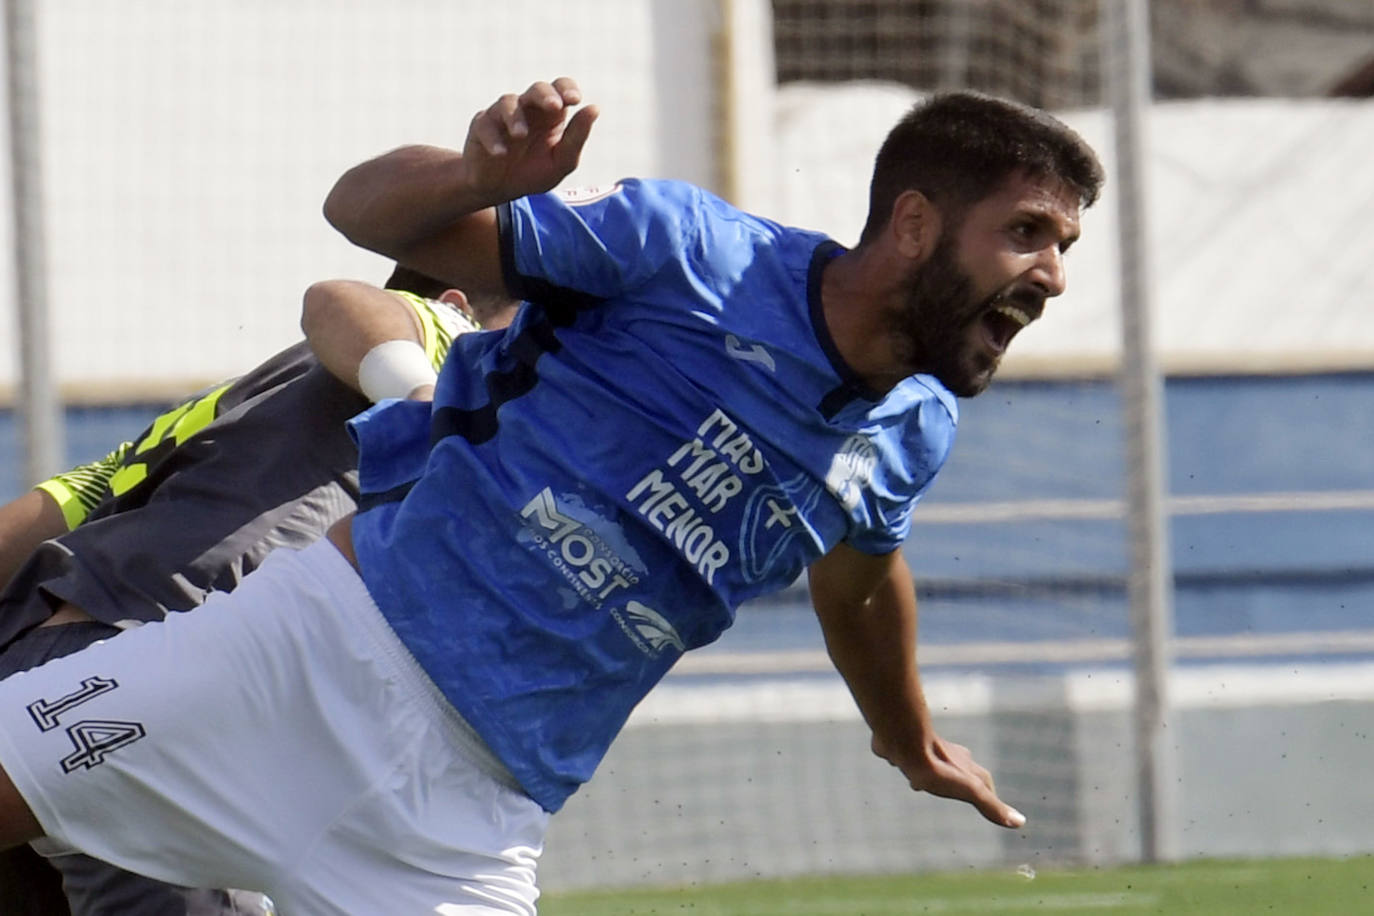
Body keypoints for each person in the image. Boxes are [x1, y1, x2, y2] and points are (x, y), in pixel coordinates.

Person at [0, 77, 1103, 914]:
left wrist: (907, 737)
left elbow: (860, 581)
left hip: (462, 825)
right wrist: (477, 177)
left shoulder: (915, 430)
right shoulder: (692, 253)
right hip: (298, 654)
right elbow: (362, 214)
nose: (1052, 275)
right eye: (1026, 233)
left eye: (1062, 246)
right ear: (913, 224)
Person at [0, 273, 513, 915]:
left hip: (45, 676)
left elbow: (38, 520)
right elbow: (344, 299)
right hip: (146, 681)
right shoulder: (450, 348)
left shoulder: (226, 417)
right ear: (453, 302)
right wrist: (424, 397)